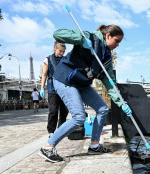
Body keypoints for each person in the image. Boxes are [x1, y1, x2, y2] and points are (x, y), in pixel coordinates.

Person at [38, 24, 132, 163]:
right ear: (108, 36)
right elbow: (58, 34)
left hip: (81, 83)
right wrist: (81, 40)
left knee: (103, 109)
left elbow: (110, 82)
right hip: (65, 79)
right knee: (79, 117)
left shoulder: (106, 57)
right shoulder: (89, 37)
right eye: (117, 41)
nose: (118, 45)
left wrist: (121, 102)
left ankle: (94, 145)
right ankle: (48, 147)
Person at [40, 41, 69, 138]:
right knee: (53, 110)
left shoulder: (65, 59)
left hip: (64, 88)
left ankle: (61, 129)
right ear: (54, 48)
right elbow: (44, 74)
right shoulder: (48, 59)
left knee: (64, 110)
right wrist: (42, 88)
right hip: (52, 88)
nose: (62, 53)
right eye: (60, 51)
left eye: (63, 51)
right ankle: (51, 131)